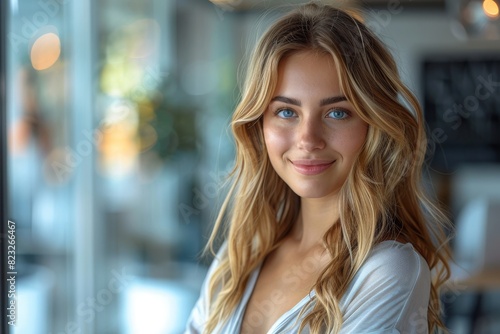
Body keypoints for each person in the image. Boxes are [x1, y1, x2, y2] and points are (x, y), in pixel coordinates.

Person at [185, 2, 451, 333]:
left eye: (337, 113)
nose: (308, 139)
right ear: (260, 125)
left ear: (374, 126)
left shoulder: (388, 269)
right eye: (286, 111)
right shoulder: (238, 258)